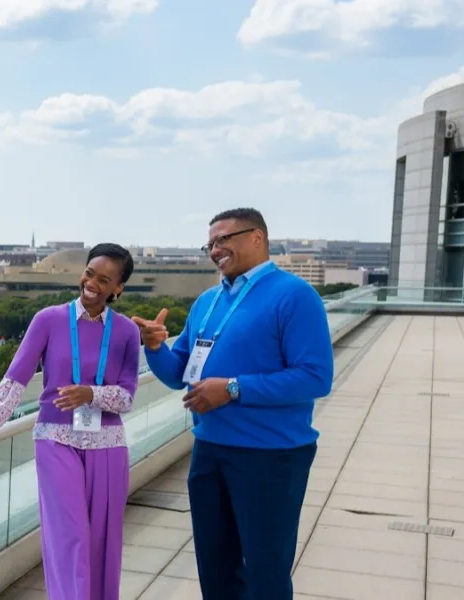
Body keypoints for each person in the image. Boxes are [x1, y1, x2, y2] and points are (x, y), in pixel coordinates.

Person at [131, 208, 332, 600]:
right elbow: (180, 374)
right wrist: (155, 347)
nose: (215, 250)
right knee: (216, 567)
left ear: (257, 237)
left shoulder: (295, 296)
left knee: (264, 571)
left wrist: (234, 389)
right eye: (210, 243)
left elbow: (315, 377)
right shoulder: (207, 301)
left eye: (224, 239)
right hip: (209, 452)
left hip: (271, 456)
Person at [0, 243, 142, 600]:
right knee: (69, 535)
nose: (91, 283)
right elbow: (17, 376)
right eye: (89, 273)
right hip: (55, 439)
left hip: (108, 445)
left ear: (118, 288)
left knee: (103, 539)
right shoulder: (48, 320)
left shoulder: (126, 332)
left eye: (104, 279)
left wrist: (90, 394)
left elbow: (126, 396)